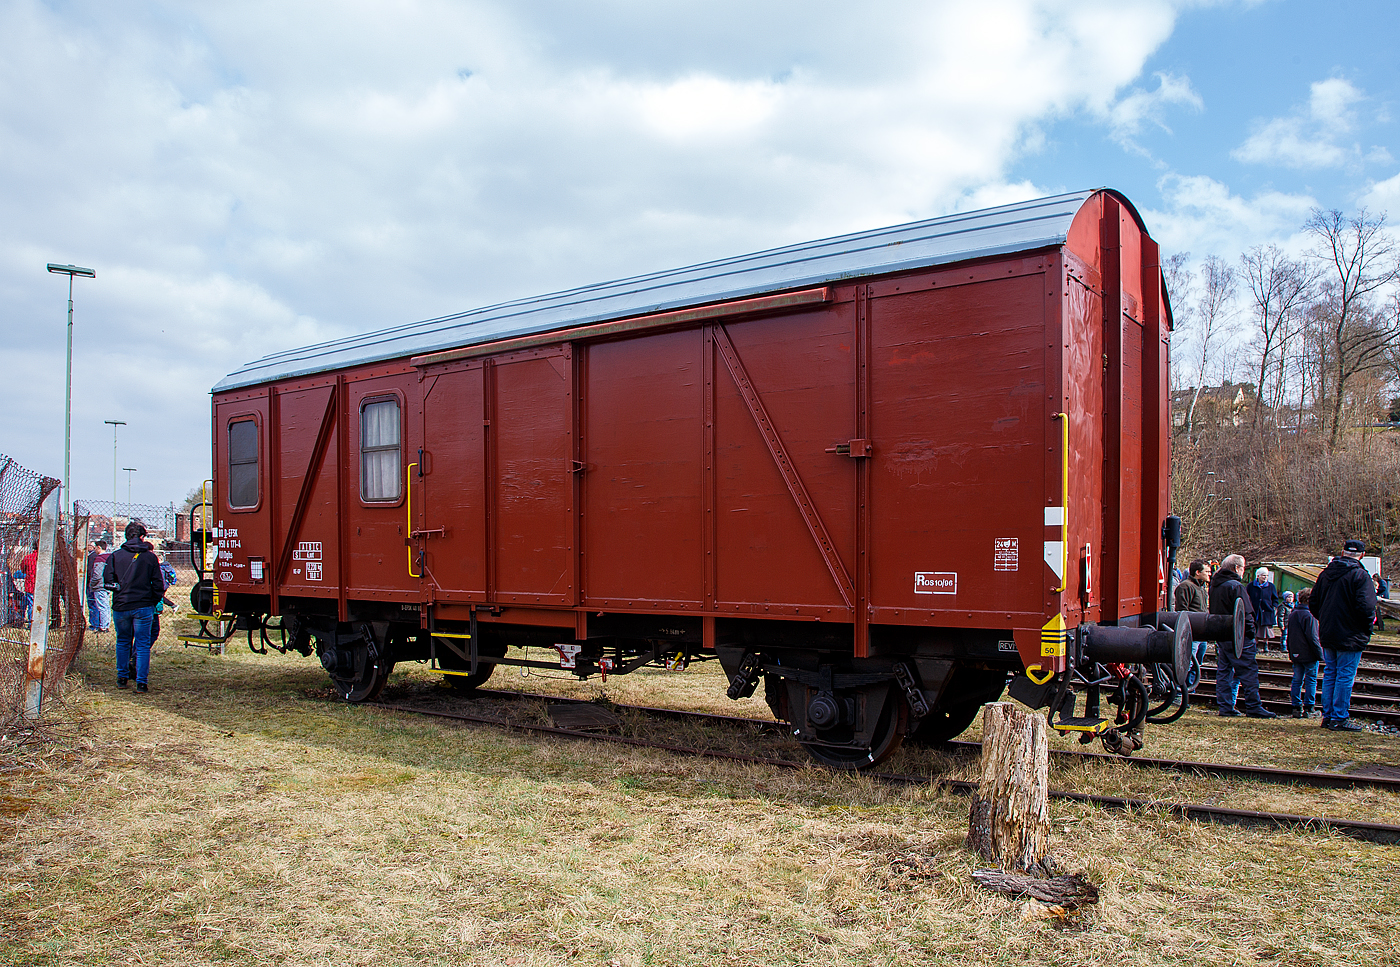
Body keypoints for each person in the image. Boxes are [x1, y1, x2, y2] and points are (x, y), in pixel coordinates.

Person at [1309, 539, 1376, 732]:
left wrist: (1325, 619)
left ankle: (1329, 715)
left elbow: (1313, 602)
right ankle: (1339, 717)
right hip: (1351, 633)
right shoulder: (1360, 575)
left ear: (1343, 552)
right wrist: (1365, 627)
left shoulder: (1326, 573)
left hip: (1329, 631)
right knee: (1345, 675)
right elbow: (1367, 607)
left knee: (1331, 672)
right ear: (1361, 555)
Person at [1210, 554, 1277, 718]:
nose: (1243, 572)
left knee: (1224, 672)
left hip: (1222, 634)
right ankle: (1253, 706)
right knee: (1248, 671)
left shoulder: (1216, 585)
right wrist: (1250, 632)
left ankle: (1225, 706)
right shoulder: (1236, 586)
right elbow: (1246, 612)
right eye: (1243, 568)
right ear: (1236, 568)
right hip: (1238, 636)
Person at [103, 520, 166, 693]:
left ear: (126, 536)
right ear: (142, 537)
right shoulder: (150, 557)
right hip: (144, 605)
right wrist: (152, 600)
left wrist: (119, 593)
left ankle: (122, 677)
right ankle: (141, 682)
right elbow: (158, 584)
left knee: (123, 641)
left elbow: (107, 582)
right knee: (143, 644)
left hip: (122, 605)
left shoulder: (115, 556)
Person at [1286, 588, 1322, 718]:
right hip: (1309, 653)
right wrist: (1320, 654)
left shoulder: (1293, 614)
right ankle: (1309, 707)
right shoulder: (1309, 615)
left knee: (1297, 679)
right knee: (1311, 679)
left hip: (1296, 652)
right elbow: (1313, 637)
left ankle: (1296, 706)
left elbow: (1289, 635)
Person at [1175, 560, 1210, 691]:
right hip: (1192, 633)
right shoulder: (1185, 587)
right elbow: (1182, 611)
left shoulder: (1201, 588)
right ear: (1197, 572)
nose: (1209, 574)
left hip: (1201, 633)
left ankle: (1189, 691)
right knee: (1187, 663)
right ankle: (1180, 693)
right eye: (1206, 571)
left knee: (1196, 664)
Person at [1247, 567, 1280, 651]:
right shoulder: (1251, 586)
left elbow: (1275, 598)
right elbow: (1247, 597)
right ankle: (1256, 645)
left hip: (1267, 611)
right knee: (1255, 628)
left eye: (1266, 575)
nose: (1265, 577)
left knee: (1266, 630)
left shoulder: (1271, 586)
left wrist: (1273, 607)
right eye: (1263, 575)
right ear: (1258, 576)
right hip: (1255, 611)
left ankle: (1266, 645)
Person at [89, 539, 113, 632]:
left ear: (99, 547)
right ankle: (106, 624)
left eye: (95, 548)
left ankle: (103, 626)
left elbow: (97, 574)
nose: (94, 550)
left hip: (99, 585)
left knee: (102, 606)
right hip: (108, 584)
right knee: (106, 606)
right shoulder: (110, 557)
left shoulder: (99, 558)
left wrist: (92, 583)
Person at [20, 541, 38, 625]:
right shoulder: (45, 558)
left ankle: (31, 623)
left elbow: (23, 569)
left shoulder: (28, 558)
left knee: (31, 605)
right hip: (42, 586)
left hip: (30, 585)